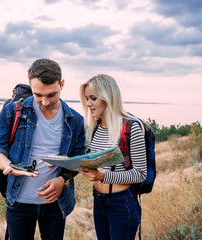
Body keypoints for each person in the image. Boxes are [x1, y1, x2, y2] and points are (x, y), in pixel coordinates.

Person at [0, 58, 85, 240]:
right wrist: (8, 165)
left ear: (62, 84)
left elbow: (79, 158)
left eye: (51, 95)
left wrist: (63, 179)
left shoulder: (76, 120)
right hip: (19, 202)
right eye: (38, 95)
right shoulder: (12, 111)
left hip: (55, 204)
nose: (45, 102)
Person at [78, 74, 147, 240]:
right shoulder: (95, 127)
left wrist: (103, 176)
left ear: (108, 97)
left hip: (121, 203)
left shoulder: (131, 128)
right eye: (87, 98)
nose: (88, 103)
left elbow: (140, 174)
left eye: (93, 98)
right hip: (98, 200)